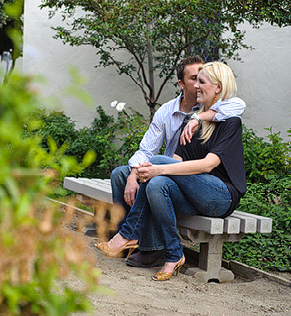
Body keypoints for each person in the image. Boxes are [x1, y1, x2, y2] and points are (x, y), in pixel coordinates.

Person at [96, 62, 247, 281]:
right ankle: (173, 254)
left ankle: (128, 234)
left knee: (157, 165)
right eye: (195, 81)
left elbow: (207, 165)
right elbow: (175, 160)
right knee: (156, 183)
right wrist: (151, 172)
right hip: (194, 194)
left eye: (202, 82)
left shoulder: (231, 122)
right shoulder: (192, 122)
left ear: (218, 87)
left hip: (220, 196)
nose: (196, 87)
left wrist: (158, 167)